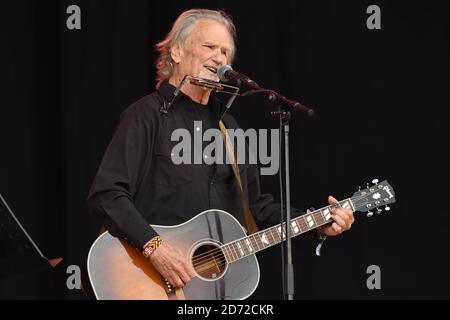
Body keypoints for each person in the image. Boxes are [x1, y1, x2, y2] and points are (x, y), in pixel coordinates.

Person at [87, 8, 354, 292]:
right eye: (210, 47)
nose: (220, 58)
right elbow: (107, 194)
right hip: (143, 278)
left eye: (226, 52)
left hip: (209, 289)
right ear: (177, 52)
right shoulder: (145, 115)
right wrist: (157, 249)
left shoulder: (229, 128)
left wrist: (317, 223)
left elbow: (257, 207)